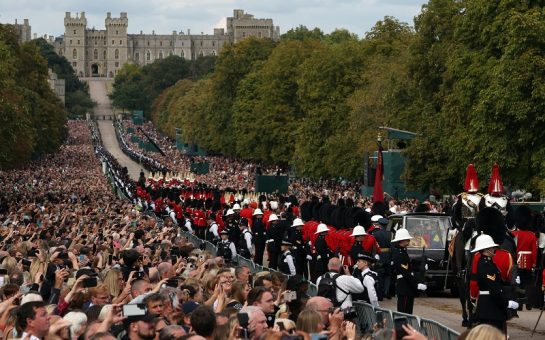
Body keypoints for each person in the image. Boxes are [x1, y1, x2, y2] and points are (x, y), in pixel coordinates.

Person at [472, 234, 518, 333]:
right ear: (486, 249)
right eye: (492, 247)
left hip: (490, 307)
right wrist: (507, 303)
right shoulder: (486, 266)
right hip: (491, 309)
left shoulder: (488, 263)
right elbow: (494, 290)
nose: (494, 249)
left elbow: (498, 284)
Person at [392, 229, 427, 314]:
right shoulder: (399, 254)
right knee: (404, 314)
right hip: (405, 287)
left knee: (408, 313)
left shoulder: (403, 252)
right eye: (407, 239)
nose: (409, 240)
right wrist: (416, 285)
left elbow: (409, 267)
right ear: (402, 240)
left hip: (407, 286)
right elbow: (406, 273)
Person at [368, 217, 392, 300]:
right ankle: (386, 292)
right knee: (388, 275)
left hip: (379, 255)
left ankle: (380, 294)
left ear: (379, 224)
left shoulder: (376, 234)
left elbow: (374, 246)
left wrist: (374, 255)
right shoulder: (390, 234)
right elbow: (392, 247)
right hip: (388, 256)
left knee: (380, 276)